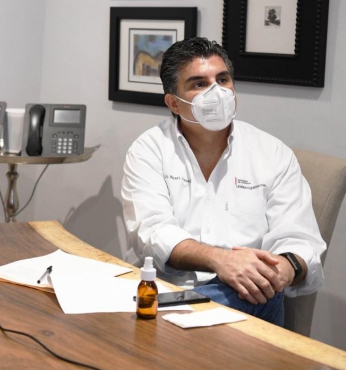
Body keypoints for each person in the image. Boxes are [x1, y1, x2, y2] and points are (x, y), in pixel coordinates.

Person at [121, 37, 326, 326]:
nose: (216, 92)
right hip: (169, 290)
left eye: (222, 80)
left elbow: (301, 240)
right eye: (199, 84)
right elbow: (152, 233)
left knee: (258, 293)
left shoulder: (272, 153)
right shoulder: (149, 150)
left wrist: (281, 268)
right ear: (174, 103)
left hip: (248, 299)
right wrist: (221, 260)